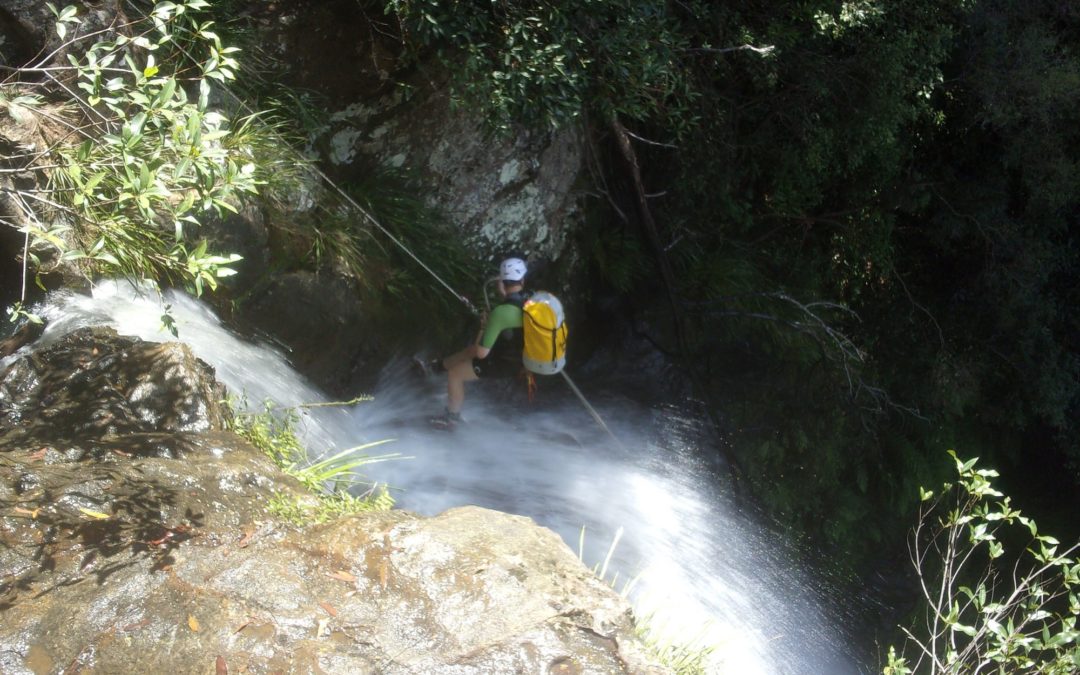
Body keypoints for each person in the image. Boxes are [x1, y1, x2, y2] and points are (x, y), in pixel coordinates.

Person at [425, 257, 530, 430]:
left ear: (502, 282)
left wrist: (483, 327)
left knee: (456, 373)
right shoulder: (531, 304)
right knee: (468, 352)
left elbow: (481, 353)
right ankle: (436, 368)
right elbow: (513, 309)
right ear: (523, 281)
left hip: (504, 364)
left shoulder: (500, 313)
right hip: (523, 362)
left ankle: (452, 417)